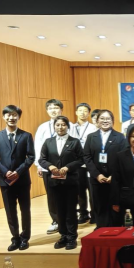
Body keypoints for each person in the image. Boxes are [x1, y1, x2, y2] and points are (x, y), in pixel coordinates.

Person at [0, 105, 35, 251]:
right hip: (5, 180)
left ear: (19, 117)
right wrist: (5, 172)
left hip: (22, 180)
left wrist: (18, 172)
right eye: (8, 115)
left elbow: (31, 157)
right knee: (10, 211)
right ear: (4, 117)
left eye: (14, 115)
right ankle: (15, 238)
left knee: (25, 210)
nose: (11, 117)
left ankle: (25, 238)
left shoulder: (26, 135)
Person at [39, 116, 84, 250]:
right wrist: (50, 166)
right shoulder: (48, 142)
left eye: (63, 124)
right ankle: (63, 235)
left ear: (67, 126)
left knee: (70, 210)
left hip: (70, 182)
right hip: (54, 182)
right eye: (57, 125)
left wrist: (68, 167)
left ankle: (72, 237)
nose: (60, 127)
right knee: (59, 210)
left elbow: (81, 159)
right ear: (54, 126)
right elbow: (42, 159)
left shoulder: (74, 142)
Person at [84, 110, 127, 229]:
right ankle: (101, 229)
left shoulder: (120, 137)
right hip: (97, 179)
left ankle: (116, 230)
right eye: (102, 118)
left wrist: (114, 175)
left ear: (112, 121)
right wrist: (97, 175)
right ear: (97, 121)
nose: (105, 121)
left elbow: (124, 158)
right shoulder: (91, 137)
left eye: (108, 118)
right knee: (99, 206)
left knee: (115, 207)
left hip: (115, 180)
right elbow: (86, 157)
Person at [34, 99, 63, 235]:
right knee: (51, 195)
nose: (53, 110)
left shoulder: (68, 125)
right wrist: (38, 165)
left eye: (56, 107)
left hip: (65, 167)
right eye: (50, 108)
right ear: (47, 111)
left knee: (67, 194)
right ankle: (55, 220)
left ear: (61, 110)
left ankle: (67, 219)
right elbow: (37, 146)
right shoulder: (42, 127)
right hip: (47, 167)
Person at [71, 103, 98, 225]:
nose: (82, 113)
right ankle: (83, 213)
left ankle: (94, 213)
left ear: (89, 113)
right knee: (79, 190)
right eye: (80, 110)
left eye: (85, 111)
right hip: (77, 164)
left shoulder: (93, 128)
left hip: (90, 163)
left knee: (92, 190)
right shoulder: (71, 127)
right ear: (76, 112)